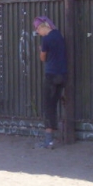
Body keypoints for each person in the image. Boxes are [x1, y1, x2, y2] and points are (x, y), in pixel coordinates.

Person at [34, 16, 67, 149]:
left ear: (43, 27)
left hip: (51, 75)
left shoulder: (46, 39)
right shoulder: (58, 35)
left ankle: (49, 140)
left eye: (37, 29)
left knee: (48, 106)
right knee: (56, 102)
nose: (37, 32)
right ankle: (57, 133)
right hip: (62, 74)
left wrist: (40, 50)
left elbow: (43, 58)